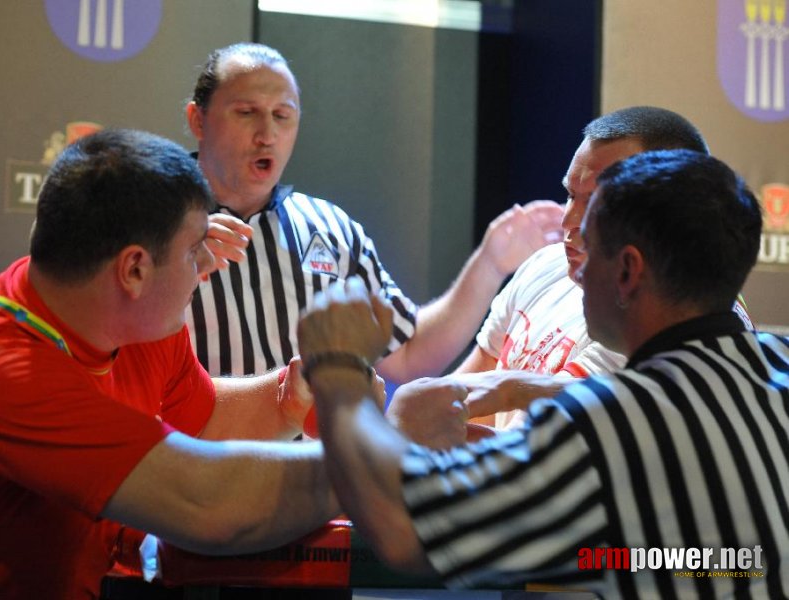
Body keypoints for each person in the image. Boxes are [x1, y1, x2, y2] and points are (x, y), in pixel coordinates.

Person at [298, 149, 788, 597]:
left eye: (590, 247)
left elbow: (402, 530)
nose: (575, 270)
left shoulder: (602, 427)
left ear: (628, 271)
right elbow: (726, 562)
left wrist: (338, 370)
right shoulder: (778, 362)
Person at [0, 129, 342, 599]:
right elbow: (206, 501)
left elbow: (200, 426)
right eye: (194, 248)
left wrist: (289, 396)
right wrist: (389, 453)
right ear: (134, 270)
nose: (208, 263)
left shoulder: (129, 321)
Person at [184, 42, 564, 381]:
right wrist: (178, 264)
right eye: (247, 112)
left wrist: (489, 264)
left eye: (282, 115)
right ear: (197, 120)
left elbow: (406, 355)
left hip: (314, 461)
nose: (267, 134)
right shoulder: (155, 225)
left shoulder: (331, 229)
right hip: (195, 460)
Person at [449, 106, 753, 432]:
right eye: (570, 195)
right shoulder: (546, 265)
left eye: (595, 204)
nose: (569, 221)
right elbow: (460, 404)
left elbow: (531, 449)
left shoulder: (664, 318)